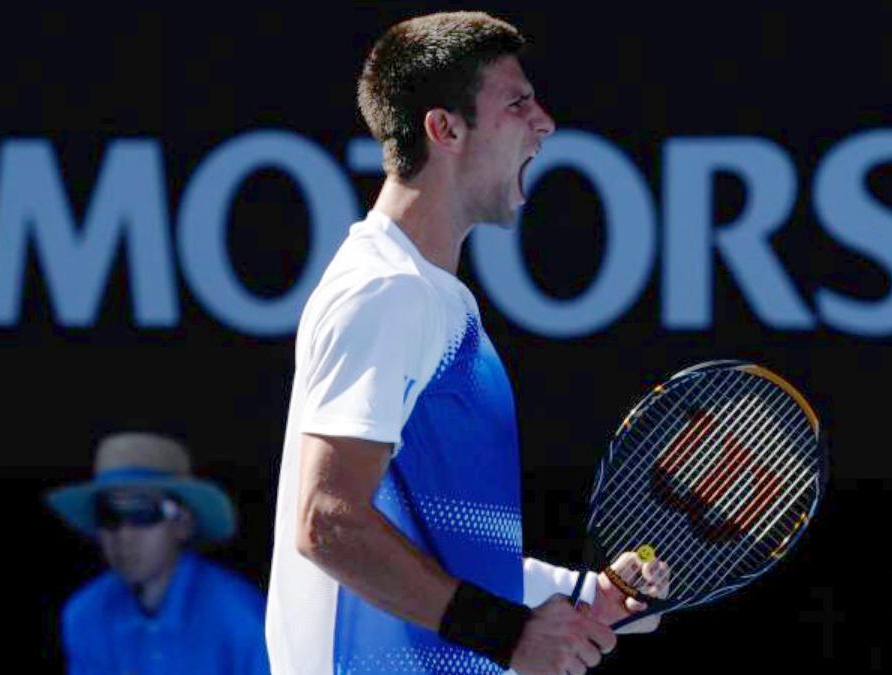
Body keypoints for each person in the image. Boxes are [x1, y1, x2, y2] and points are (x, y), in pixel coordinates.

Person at [265, 12, 668, 675]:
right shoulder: (385, 290)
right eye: (518, 102)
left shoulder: (430, 297)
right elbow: (327, 520)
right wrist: (508, 633)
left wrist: (585, 595)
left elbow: (443, 547)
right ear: (443, 128)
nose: (545, 122)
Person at [47, 432, 270, 675]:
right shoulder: (85, 614)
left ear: (183, 522)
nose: (124, 535)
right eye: (109, 516)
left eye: (143, 513)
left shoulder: (241, 617)